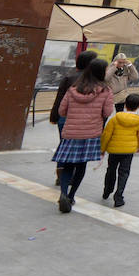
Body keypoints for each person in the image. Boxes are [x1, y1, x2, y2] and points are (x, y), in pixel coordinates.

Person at [53, 57, 113, 212]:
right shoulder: (105, 91)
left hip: (71, 133)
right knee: (81, 166)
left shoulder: (73, 88)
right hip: (91, 134)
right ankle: (71, 196)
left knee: (67, 165)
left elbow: (62, 111)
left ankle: (64, 193)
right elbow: (107, 112)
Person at [48, 52, 94, 186]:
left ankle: (60, 174)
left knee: (64, 144)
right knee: (78, 148)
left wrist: (54, 116)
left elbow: (60, 98)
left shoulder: (69, 77)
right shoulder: (93, 80)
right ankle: (71, 175)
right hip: (83, 119)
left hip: (64, 117)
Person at [100, 93, 139, 208]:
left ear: (125, 105)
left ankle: (107, 190)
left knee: (111, 170)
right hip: (128, 151)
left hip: (114, 150)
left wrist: (102, 148)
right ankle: (119, 196)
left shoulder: (115, 118)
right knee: (124, 172)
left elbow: (106, 134)